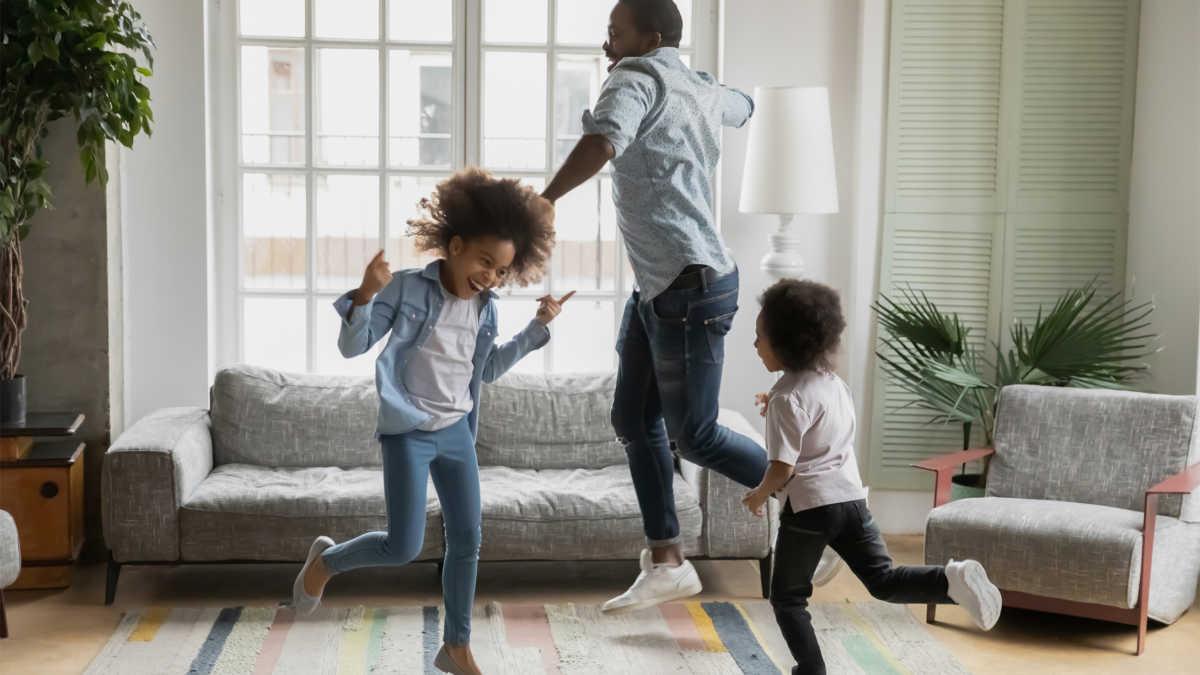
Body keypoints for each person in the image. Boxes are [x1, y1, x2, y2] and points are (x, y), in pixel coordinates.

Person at [291, 168, 569, 675]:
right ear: (456, 245)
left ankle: (456, 646)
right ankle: (325, 563)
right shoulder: (405, 290)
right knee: (403, 547)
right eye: (485, 262)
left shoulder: (486, 308)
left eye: (502, 270)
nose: (491, 276)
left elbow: (486, 369)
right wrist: (365, 293)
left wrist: (536, 328)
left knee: (468, 540)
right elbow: (353, 346)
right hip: (409, 434)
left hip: (457, 434)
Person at [541, 0, 765, 614]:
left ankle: (818, 503)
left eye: (617, 31)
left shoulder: (636, 78)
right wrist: (717, 93)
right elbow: (743, 107)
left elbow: (605, 139)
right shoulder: (693, 83)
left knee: (692, 435)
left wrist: (547, 199)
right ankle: (667, 560)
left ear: (653, 35)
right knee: (634, 420)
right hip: (668, 285)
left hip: (688, 287)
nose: (608, 42)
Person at [743, 279, 1002, 675]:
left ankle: (810, 670)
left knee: (788, 598)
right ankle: (951, 579)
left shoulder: (784, 398)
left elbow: (783, 467)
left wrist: (760, 495)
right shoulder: (833, 384)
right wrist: (773, 401)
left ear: (786, 342)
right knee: (884, 579)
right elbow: (814, 421)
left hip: (810, 510)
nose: (754, 344)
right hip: (850, 500)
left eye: (760, 336)